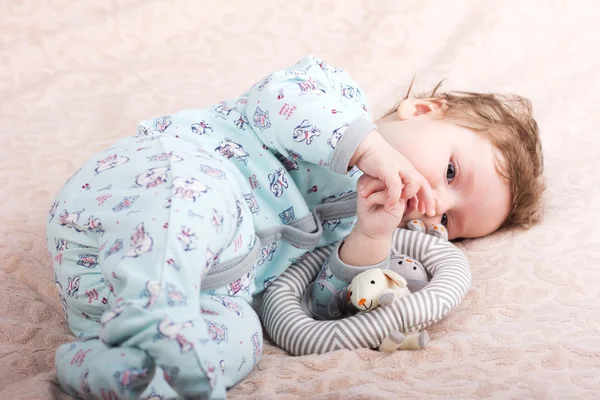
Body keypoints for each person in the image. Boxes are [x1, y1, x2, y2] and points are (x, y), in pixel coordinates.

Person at [46, 55, 544, 399]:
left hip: (103, 286)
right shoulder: (332, 96)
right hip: (143, 193)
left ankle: (113, 371)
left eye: (450, 222)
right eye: (452, 173)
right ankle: (155, 314)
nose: (434, 204)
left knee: (241, 339)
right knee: (198, 198)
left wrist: (368, 239)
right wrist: (367, 151)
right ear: (423, 111)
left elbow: (310, 306)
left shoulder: (372, 224)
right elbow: (276, 101)